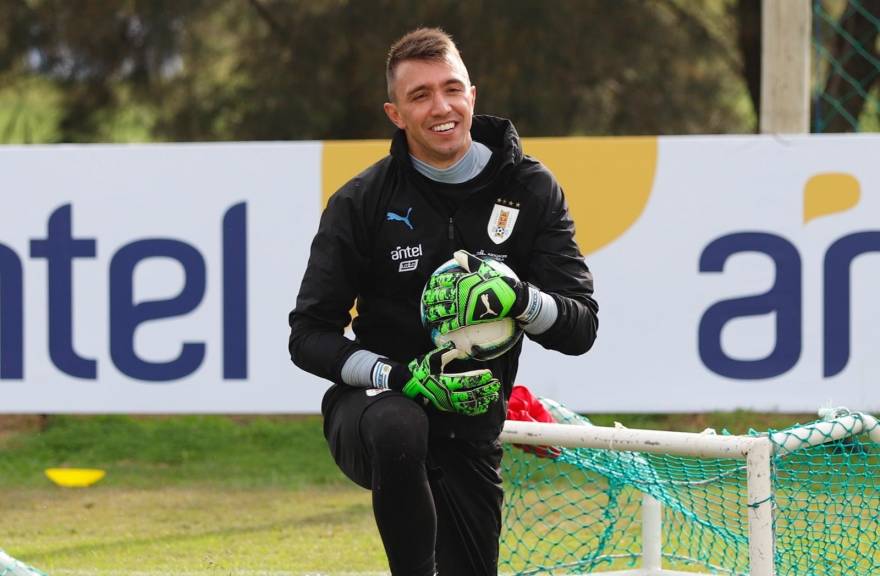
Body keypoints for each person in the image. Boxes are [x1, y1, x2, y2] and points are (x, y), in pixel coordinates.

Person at [288, 27, 598, 576]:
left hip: (471, 425)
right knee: (400, 425)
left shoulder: (530, 188)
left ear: (472, 96)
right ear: (395, 114)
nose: (441, 107)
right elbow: (309, 335)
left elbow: (581, 328)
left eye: (452, 89)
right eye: (420, 95)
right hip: (374, 407)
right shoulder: (361, 201)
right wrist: (399, 376)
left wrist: (521, 299)